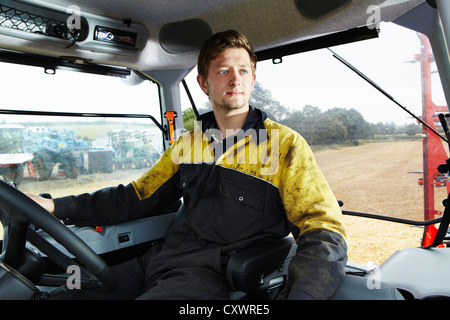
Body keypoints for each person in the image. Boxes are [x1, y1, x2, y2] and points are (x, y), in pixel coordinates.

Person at [29, 30, 348, 300]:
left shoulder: (284, 146)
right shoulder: (187, 145)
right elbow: (135, 197)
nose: (235, 80)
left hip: (212, 274)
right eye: (223, 71)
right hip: (157, 261)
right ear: (204, 83)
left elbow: (324, 231)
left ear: (252, 78)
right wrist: (55, 205)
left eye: (243, 71)